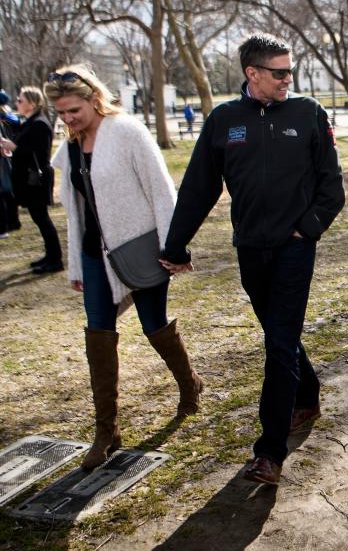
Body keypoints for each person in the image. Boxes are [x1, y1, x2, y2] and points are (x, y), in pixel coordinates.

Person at [160, 33, 345, 485]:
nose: (288, 80)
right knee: (279, 333)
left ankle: (269, 452)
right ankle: (308, 394)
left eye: (290, 72)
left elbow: (331, 185)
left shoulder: (308, 113)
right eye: (279, 72)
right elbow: (199, 187)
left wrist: (308, 228)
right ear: (252, 74)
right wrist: (175, 244)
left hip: (294, 248)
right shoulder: (225, 120)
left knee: (278, 344)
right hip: (250, 250)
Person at [43, 66, 203, 471]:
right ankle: (106, 431)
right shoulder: (72, 146)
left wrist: (173, 246)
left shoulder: (128, 132)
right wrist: (77, 265)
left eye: (73, 110)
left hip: (139, 249)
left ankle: (189, 384)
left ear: (94, 98)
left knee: (154, 325)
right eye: (61, 113)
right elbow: (75, 214)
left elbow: (161, 191)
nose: (68, 119)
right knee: (98, 334)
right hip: (95, 255)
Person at [0, 87, 63, 272]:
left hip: (37, 180)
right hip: (30, 179)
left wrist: (15, 147)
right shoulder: (30, 122)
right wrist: (11, 148)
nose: (16, 103)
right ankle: (50, 256)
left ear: (32, 103)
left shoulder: (40, 124)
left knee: (42, 219)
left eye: (20, 100)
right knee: (39, 219)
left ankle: (55, 259)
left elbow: (39, 154)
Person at [0, 92, 20, 238]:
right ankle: (13, 222)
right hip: (7, 156)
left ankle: (5, 226)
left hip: (4, 155)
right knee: (7, 189)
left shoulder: (7, 118)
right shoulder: (9, 116)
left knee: (4, 189)